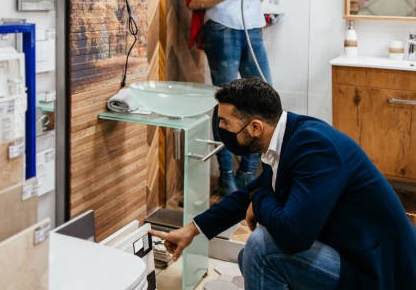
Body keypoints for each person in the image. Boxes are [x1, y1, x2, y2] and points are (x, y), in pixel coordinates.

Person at [151, 78, 416, 289]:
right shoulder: (286, 136)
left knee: (262, 249)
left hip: (375, 271)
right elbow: (250, 193)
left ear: (255, 127)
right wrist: (192, 230)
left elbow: (293, 235)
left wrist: (259, 201)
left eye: (225, 123)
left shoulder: (314, 148)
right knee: (248, 258)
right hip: (349, 249)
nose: (220, 130)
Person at [185, 0, 279, 196]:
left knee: (265, 99)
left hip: (252, 28)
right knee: (227, 105)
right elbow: (194, 1)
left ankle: (249, 170)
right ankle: (226, 174)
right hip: (221, 30)